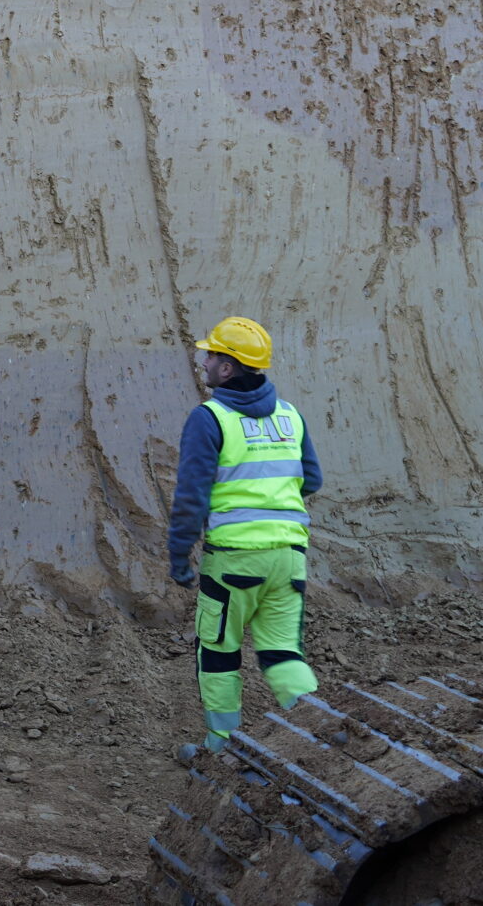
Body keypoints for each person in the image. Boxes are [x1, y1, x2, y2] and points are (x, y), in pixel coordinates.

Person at [168, 315, 322, 751]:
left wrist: (179, 558)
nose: (204, 362)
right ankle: (321, 740)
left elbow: (191, 499)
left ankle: (220, 748)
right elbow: (310, 480)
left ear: (228, 367)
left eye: (212, 355)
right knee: (282, 654)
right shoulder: (290, 416)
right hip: (289, 557)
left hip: (233, 561)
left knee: (217, 653)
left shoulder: (209, 418)